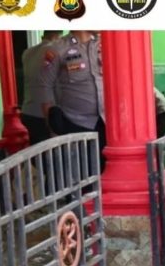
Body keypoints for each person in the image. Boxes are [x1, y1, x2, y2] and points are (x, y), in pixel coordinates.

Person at [37, 30, 106, 170]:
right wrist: (53, 128)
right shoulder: (57, 49)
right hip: (75, 124)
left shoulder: (104, 45)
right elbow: (44, 87)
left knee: (105, 173)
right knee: (79, 174)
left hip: (106, 122)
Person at [21, 30, 61, 145]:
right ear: (56, 36)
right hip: (46, 113)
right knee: (52, 154)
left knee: (38, 154)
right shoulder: (53, 50)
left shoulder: (27, 53)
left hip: (28, 110)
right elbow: (45, 86)